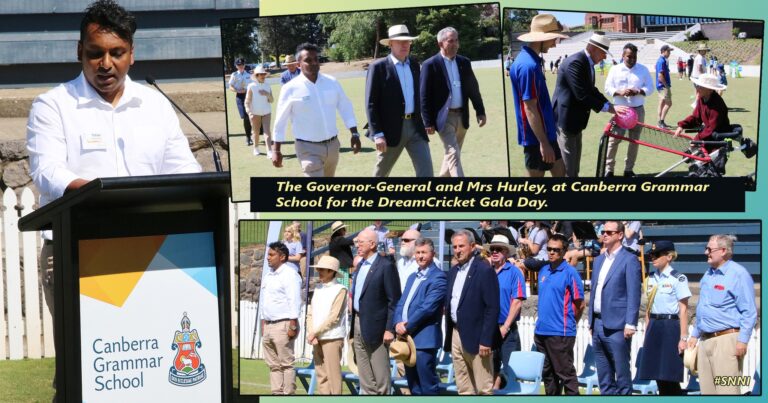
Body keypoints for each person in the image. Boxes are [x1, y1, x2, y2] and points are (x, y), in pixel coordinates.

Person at [26, 3, 202, 397]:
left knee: (142, 366)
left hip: (152, 251)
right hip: (75, 251)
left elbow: (184, 169)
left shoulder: (155, 104)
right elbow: (48, 172)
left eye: (116, 53)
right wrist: (102, 195)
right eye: (95, 53)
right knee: (85, 372)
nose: (106, 64)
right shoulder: (53, 105)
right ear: (80, 52)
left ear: (131, 54)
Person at [272, 43, 361, 177]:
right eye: (308, 60)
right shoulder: (290, 88)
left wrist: (354, 134)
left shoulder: (332, 82)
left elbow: (345, 107)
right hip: (307, 149)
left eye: (316, 59)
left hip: (333, 146)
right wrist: (276, 150)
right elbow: (280, 120)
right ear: (298, 64)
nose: (314, 63)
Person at [688, 234, 757, 395]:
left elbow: (749, 311)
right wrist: (695, 334)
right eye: (706, 249)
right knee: (708, 392)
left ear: (724, 251)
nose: (706, 252)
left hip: (727, 342)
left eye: (709, 249)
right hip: (705, 341)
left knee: (728, 391)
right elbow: (703, 308)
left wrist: (742, 341)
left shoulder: (739, 274)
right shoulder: (708, 274)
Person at [552, 32, 629, 177]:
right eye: (603, 52)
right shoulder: (576, 62)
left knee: (574, 167)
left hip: (575, 122)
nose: (604, 57)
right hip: (566, 121)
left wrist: (609, 105)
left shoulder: (587, 63)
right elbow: (582, 95)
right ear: (593, 48)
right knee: (569, 169)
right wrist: (609, 108)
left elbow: (592, 90)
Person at [365, 24, 433, 177]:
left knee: (426, 171)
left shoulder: (414, 65)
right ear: (390, 44)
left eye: (407, 41)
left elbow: (420, 97)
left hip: (416, 127)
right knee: (381, 173)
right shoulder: (378, 67)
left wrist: (428, 120)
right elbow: (371, 103)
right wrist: (378, 134)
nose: (404, 44)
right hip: (390, 130)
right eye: (400, 41)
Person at [420, 27, 486, 177]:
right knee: (453, 152)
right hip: (444, 118)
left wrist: (480, 111)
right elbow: (424, 96)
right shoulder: (430, 65)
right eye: (451, 41)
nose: (455, 44)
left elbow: (473, 89)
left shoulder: (464, 62)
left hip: (462, 116)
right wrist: (427, 122)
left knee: (452, 155)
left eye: (456, 40)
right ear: (440, 44)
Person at [509, 14, 568, 178]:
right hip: (536, 139)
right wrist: (543, 143)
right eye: (553, 39)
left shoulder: (531, 61)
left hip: (545, 134)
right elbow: (530, 108)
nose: (555, 44)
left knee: (561, 173)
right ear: (541, 39)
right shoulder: (528, 66)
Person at [588, 220, 641, 395]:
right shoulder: (598, 260)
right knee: (604, 377)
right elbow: (594, 291)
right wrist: (591, 321)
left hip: (618, 325)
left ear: (620, 235)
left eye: (609, 232)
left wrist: (630, 323)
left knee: (622, 374)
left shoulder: (629, 259)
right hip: (598, 323)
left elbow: (634, 293)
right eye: (603, 231)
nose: (605, 235)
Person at [444, 229, 499, 395]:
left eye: (461, 246)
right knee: (463, 388)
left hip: (478, 337)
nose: (457, 250)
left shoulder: (484, 271)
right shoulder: (452, 272)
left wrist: (486, 340)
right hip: (456, 333)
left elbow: (492, 308)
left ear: (473, 246)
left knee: (483, 389)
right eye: (455, 247)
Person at [393, 238, 448, 395]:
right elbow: (401, 303)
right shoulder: (412, 277)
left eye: (424, 252)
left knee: (427, 385)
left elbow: (428, 308)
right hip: (407, 338)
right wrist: (397, 322)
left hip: (424, 340)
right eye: (417, 253)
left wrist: (406, 326)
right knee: (413, 385)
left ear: (433, 254)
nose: (420, 256)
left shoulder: (439, 277)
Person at [350, 228, 401, 395]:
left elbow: (394, 300)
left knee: (381, 378)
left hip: (378, 328)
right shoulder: (360, 266)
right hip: (358, 322)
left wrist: (389, 329)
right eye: (357, 242)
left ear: (372, 244)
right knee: (365, 377)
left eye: (360, 242)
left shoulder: (386, 266)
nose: (357, 245)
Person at [637, 241, 691, 395]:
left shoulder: (678, 278)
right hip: (654, 325)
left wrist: (683, 338)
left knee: (670, 374)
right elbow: (648, 309)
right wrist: (647, 332)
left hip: (670, 326)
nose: (653, 258)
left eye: (657, 255)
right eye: (651, 255)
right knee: (656, 374)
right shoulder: (651, 278)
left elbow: (683, 309)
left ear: (669, 256)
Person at [533, 234, 585, 395]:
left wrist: (569, 322)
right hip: (541, 331)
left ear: (564, 251)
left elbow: (580, 304)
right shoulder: (543, 270)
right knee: (548, 375)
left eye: (556, 250)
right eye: (549, 249)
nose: (551, 252)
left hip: (560, 333)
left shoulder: (570, 273)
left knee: (565, 374)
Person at [604, 43, 653, 177]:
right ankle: (609, 170)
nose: (632, 59)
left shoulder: (643, 69)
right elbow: (607, 88)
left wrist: (639, 91)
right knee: (613, 140)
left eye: (634, 57)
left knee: (634, 141)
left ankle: (628, 170)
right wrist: (619, 92)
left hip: (638, 110)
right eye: (629, 56)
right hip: (620, 111)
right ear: (623, 56)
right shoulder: (615, 69)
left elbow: (650, 88)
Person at [484, 235, 526, 390]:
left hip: (507, 330)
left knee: (511, 370)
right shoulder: (486, 272)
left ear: (507, 252)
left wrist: (505, 327)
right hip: (489, 329)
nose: (494, 252)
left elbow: (517, 301)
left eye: (499, 249)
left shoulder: (515, 272)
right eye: (492, 249)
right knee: (490, 369)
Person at [261, 241, 302, 395]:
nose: (268, 257)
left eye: (272, 255)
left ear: (282, 257)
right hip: (269, 324)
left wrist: (293, 325)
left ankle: (288, 394)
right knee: (273, 365)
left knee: (286, 364)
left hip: (283, 323)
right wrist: (263, 324)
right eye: (268, 254)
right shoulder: (269, 275)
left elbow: (294, 300)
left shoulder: (290, 275)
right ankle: (276, 394)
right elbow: (265, 301)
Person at [307, 256, 348, 395]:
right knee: (321, 376)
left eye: (322, 269)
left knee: (333, 376)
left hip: (332, 337)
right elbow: (310, 313)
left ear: (331, 271)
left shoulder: (340, 289)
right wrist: (311, 332)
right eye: (318, 269)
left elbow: (334, 317)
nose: (319, 272)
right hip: (316, 337)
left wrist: (314, 333)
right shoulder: (318, 288)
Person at [674, 73, 730, 154]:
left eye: (700, 86)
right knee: (690, 157)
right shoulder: (702, 98)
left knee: (707, 161)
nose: (697, 88)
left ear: (710, 90)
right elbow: (696, 118)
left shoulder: (717, 105)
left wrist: (697, 140)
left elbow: (712, 128)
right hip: (707, 138)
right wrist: (682, 125)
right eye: (697, 85)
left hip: (717, 141)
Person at [244, 64, 274, 157]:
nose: (263, 76)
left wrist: (267, 94)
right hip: (255, 113)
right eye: (261, 74)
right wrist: (249, 112)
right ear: (256, 76)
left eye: (264, 74)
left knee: (267, 132)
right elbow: (247, 101)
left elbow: (272, 100)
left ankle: (269, 151)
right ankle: (256, 148)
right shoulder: (251, 86)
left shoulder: (267, 86)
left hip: (267, 112)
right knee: (255, 132)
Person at [229, 57, 253, 145]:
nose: (241, 66)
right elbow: (230, 86)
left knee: (249, 115)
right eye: (239, 65)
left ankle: (249, 137)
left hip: (249, 96)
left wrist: (247, 91)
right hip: (240, 97)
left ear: (244, 65)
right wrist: (237, 91)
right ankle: (249, 135)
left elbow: (253, 85)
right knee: (244, 116)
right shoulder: (234, 75)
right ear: (236, 66)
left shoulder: (249, 74)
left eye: (242, 65)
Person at [328, 221, 354, 289]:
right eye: (344, 229)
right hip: (342, 266)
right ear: (339, 231)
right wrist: (358, 239)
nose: (345, 230)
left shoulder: (333, 240)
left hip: (337, 265)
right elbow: (350, 242)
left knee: (338, 284)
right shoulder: (339, 239)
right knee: (343, 285)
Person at [656, 45, 674, 129]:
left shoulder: (662, 60)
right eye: (668, 51)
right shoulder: (661, 61)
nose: (669, 53)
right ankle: (661, 122)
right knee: (668, 103)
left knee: (662, 103)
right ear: (663, 51)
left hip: (661, 86)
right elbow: (660, 76)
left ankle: (659, 122)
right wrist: (666, 85)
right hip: (663, 86)